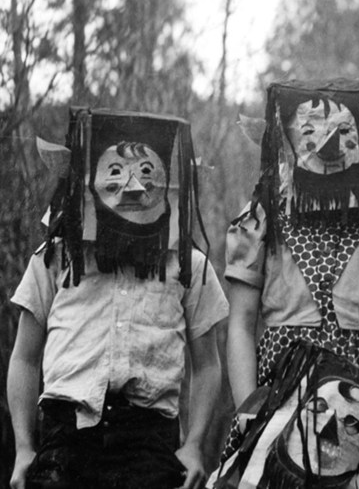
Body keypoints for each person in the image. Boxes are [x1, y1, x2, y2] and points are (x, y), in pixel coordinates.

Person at [214, 79, 359, 489]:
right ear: (288, 139)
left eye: (345, 132)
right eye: (309, 131)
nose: (328, 143)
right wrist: (248, 411)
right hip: (280, 391)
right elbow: (240, 324)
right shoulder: (263, 216)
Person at [8, 108, 228, 489]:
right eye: (114, 173)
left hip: (150, 441)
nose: (132, 188)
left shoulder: (189, 266)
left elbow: (207, 365)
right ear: (85, 182)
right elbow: (25, 358)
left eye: (146, 173)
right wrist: (24, 447)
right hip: (65, 436)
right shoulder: (57, 256)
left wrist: (193, 445)